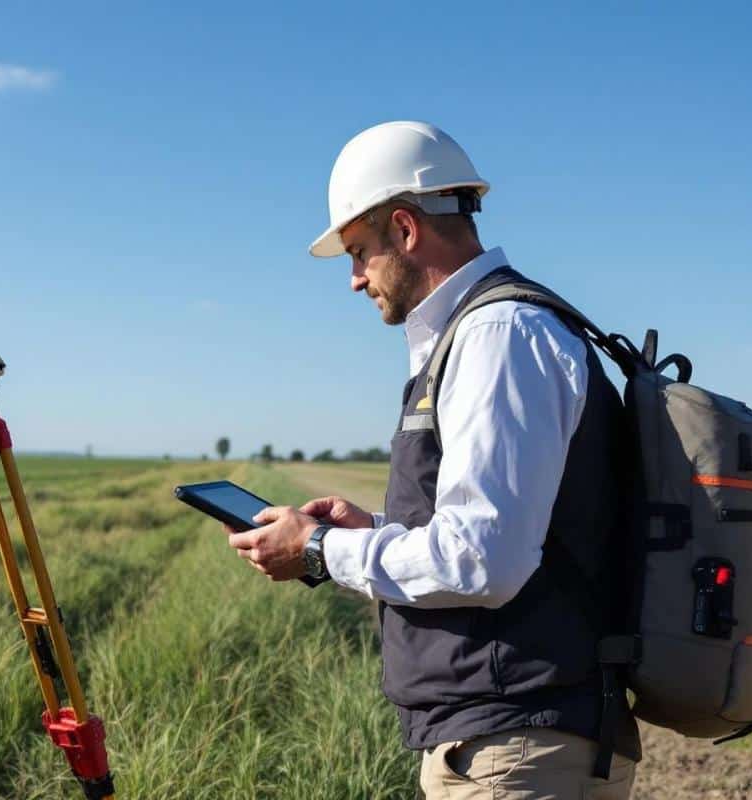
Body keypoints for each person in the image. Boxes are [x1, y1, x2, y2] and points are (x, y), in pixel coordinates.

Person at [226, 121, 641, 799]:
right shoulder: (480, 335)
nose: (355, 280)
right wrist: (375, 532)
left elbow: (483, 560)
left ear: (406, 229)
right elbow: (505, 535)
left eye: (359, 252)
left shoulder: (498, 337)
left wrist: (323, 549)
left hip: (520, 750)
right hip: (504, 740)